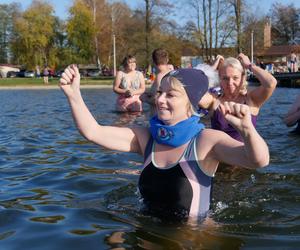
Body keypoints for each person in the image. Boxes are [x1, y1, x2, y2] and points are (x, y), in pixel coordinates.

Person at [59, 64, 269, 221]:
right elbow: (93, 132)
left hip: (193, 239)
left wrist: (248, 130)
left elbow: (258, 161)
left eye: (171, 95)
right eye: (160, 93)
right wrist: (74, 95)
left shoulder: (207, 140)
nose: (160, 100)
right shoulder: (146, 137)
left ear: (190, 102)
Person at [200, 53, 277, 141]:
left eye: (235, 78)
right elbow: (189, 91)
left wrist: (249, 65)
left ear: (242, 78)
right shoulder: (213, 100)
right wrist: (211, 70)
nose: (230, 83)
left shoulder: (251, 100)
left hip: (246, 153)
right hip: (221, 153)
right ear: (219, 79)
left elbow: (271, 83)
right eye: (225, 78)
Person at [140, 48, 173, 115]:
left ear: (153, 61)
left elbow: (157, 100)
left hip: (160, 119)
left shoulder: (160, 76)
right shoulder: (172, 73)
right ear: (167, 60)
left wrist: (144, 98)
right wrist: (150, 93)